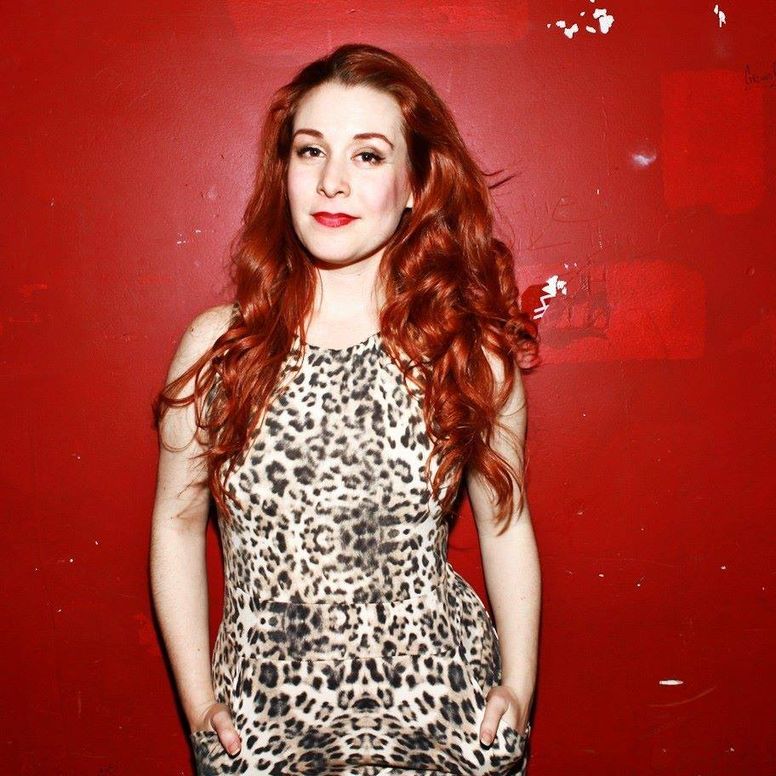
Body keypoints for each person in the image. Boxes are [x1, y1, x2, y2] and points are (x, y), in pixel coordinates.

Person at [150, 42, 542, 776]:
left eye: (367, 155)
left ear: (415, 183)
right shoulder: (220, 350)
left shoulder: (467, 352)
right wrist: (199, 705)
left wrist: (518, 686)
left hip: (443, 712)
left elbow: (505, 522)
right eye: (311, 151)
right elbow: (176, 525)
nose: (332, 181)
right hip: (264, 719)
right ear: (284, 171)